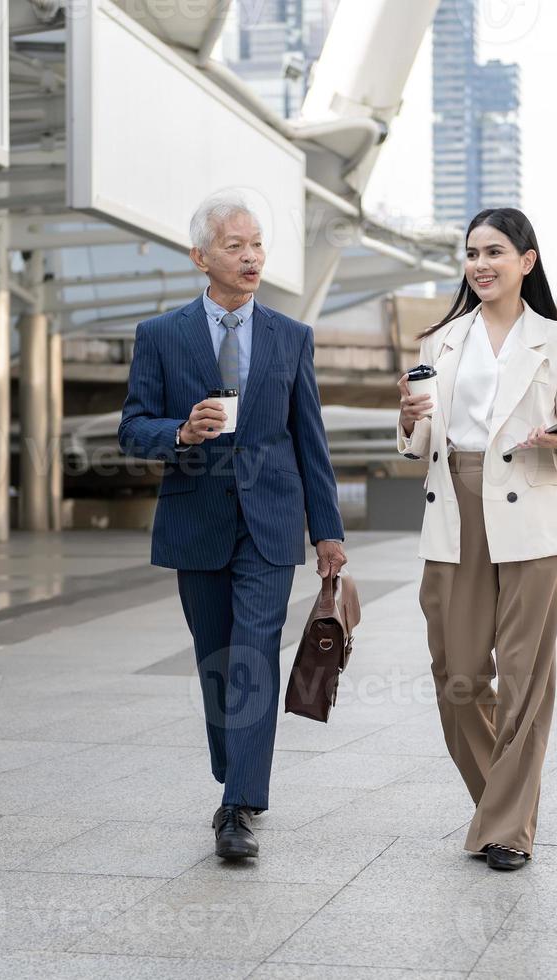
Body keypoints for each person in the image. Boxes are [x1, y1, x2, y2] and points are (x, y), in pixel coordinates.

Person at [119, 192, 348, 861]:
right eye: (234, 246)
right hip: (197, 519)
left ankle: (238, 805)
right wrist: (179, 432)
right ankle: (235, 773)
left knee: (253, 656)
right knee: (217, 663)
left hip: (272, 522)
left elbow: (310, 439)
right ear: (201, 257)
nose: (250, 257)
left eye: (256, 246)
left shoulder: (291, 336)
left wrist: (326, 530)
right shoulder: (160, 337)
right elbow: (132, 429)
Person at [396, 208, 557, 871]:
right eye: (471, 253)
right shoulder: (440, 340)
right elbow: (421, 441)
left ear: (526, 261)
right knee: (457, 676)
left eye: (494, 251)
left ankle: (507, 829)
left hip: (531, 510)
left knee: (522, 677)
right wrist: (408, 421)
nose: (480, 263)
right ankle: (500, 807)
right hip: (454, 506)